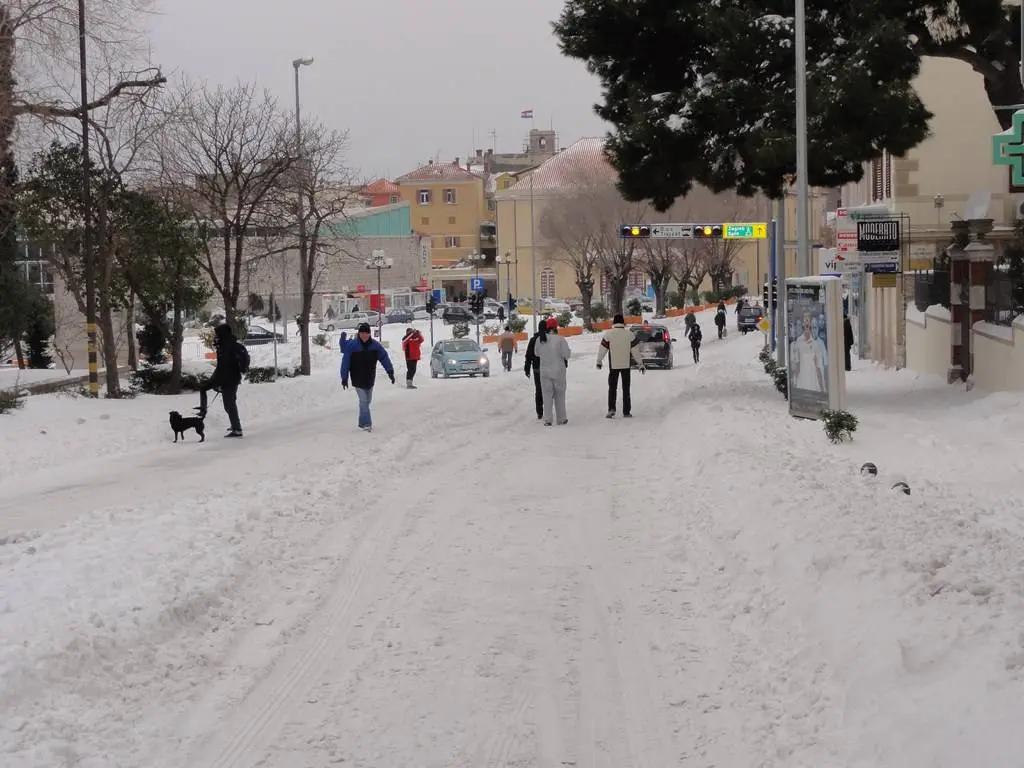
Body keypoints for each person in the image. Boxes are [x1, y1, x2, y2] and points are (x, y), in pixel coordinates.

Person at [340, 322, 395, 432]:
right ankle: (366, 424)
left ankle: (361, 421)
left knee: (367, 401)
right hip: (357, 377)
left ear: (369, 334)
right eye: (362, 333)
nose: (364, 335)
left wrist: (390, 371)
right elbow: (345, 362)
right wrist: (344, 377)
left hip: (370, 378)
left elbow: (384, 358)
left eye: (366, 333)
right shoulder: (352, 346)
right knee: (364, 401)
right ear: (359, 334)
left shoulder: (375, 346)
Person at [201, 323, 248, 438]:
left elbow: (226, 366)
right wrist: (215, 380)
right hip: (225, 378)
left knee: (229, 404)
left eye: (217, 334)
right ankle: (234, 425)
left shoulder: (229, 346)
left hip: (230, 379)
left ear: (223, 334)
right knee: (229, 404)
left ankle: (237, 429)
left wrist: (217, 380)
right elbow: (221, 366)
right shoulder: (223, 346)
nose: (216, 336)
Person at [596, 313, 645, 419]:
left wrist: (599, 361)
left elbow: (602, 349)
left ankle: (611, 409)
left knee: (612, 388)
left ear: (614, 323)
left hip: (613, 366)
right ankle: (626, 411)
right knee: (626, 388)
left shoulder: (608, 334)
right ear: (623, 322)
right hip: (626, 365)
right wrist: (640, 364)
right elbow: (635, 351)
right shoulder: (630, 335)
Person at [532, 317, 571, 426]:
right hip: (558, 371)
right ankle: (562, 418)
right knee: (560, 395)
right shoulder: (560, 339)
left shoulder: (539, 340)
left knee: (546, 396)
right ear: (556, 327)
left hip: (544, 372)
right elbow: (566, 355)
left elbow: (536, 353)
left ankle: (548, 419)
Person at [791, 312, 827, 392]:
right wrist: (795, 381)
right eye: (805, 325)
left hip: (812, 378)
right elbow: (796, 363)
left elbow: (819, 366)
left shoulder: (815, 344)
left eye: (809, 326)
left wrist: (822, 387)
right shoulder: (799, 342)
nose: (807, 327)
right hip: (802, 378)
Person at [524, 323, 545, 419]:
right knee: (548, 389)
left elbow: (528, 355)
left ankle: (539, 411)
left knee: (539, 389)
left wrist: (527, 368)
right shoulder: (549, 339)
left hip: (536, 368)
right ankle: (548, 408)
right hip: (548, 367)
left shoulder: (533, 340)